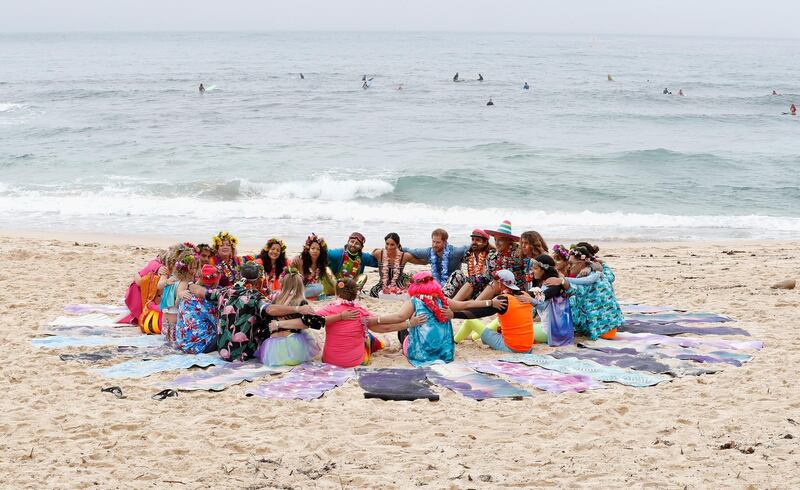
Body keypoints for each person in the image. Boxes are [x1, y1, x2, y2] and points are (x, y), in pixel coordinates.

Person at [274, 278, 426, 368]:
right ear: (356, 294)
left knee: (365, 333)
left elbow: (304, 323)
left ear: (336, 294)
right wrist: (409, 324)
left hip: (329, 360)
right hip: (357, 362)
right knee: (368, 336)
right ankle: (379, 344)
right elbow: (384, 327)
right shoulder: (361, 312)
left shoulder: (328, 310)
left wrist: (280, 324)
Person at [188, 262, 315, 362]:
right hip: (244, 354)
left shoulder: (223, 292)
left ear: (239, 276)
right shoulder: (255, 297)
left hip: (222, 351)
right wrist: (297, 309)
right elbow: (270, 309)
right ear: (257, 280)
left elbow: (199, 291)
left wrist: (188, 285)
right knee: (265, 318)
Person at [366, 272, 456, 367]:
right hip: (445, 353)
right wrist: (453, 314)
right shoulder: (443, 300)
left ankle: (403, 348)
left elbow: (399, 317)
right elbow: (465, 305)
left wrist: (376, 320)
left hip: (421, 355)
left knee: (404, 325)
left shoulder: (414, 300)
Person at [454, 270, 536, 353]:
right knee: (499, 321)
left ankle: (455, 340)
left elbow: (477, 314)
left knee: (471, 322)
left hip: (512, 348)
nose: (492, 285)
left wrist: (454, 315)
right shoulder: (525, 295)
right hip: (528, 348)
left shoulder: (503, 300)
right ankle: (474, 337)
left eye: (493, 283)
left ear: (500, 284)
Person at [253, 270, 325, 366]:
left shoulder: (274, 300)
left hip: (271, 351)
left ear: (282, 284)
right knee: (308, 334)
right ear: (300, 285)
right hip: (293, 347)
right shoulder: (301, 302)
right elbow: (311, 322)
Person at [563, 243, 623, 340]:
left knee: (568, 301)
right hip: (612, 327)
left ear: (581, 263)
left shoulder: (585, 278)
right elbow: (611, 275)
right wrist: (601, 263)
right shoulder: (600, 274)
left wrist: (561, 280)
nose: (568, 267)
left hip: (599, 330)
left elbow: (573, 290)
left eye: (571, 264)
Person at [175, 264, 221, 354]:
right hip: (198, 346)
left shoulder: (186, 293)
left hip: (182, 343)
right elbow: (218, 324)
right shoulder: (207, 301)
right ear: (215, 282)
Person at [443, 229, 497, 300]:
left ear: (485, 242)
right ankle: (442, 298)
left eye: (477, 240)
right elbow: (454, 255)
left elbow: (491, 278)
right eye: (473, 240)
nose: (474, 242)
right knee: (457, 274)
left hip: (484, 289)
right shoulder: (469, 255)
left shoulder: (491, 255)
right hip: (469, 285)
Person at [369, 232, 415, 297]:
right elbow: (367, 258)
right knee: (373, 292)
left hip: (398, 284)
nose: (389, 247)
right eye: (387, 244)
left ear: (398, 245)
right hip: (382, 284)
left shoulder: (404, 256)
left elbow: (422, 261)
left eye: (392, 244)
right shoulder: (379, 253)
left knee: (404, 294)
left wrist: (433, 256)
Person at [292, 233, 335, 298]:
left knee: (321, 289)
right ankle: (298, 296)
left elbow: (331, 278)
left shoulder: (320, 264)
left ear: (320, 252)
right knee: (320, 288)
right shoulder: (300, 260)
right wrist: (300, 268)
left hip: (308, 289)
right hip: (296, 288)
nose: (315, 251)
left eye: (318, 249)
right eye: (313, 248)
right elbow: (297, 282)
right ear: (308, 250)